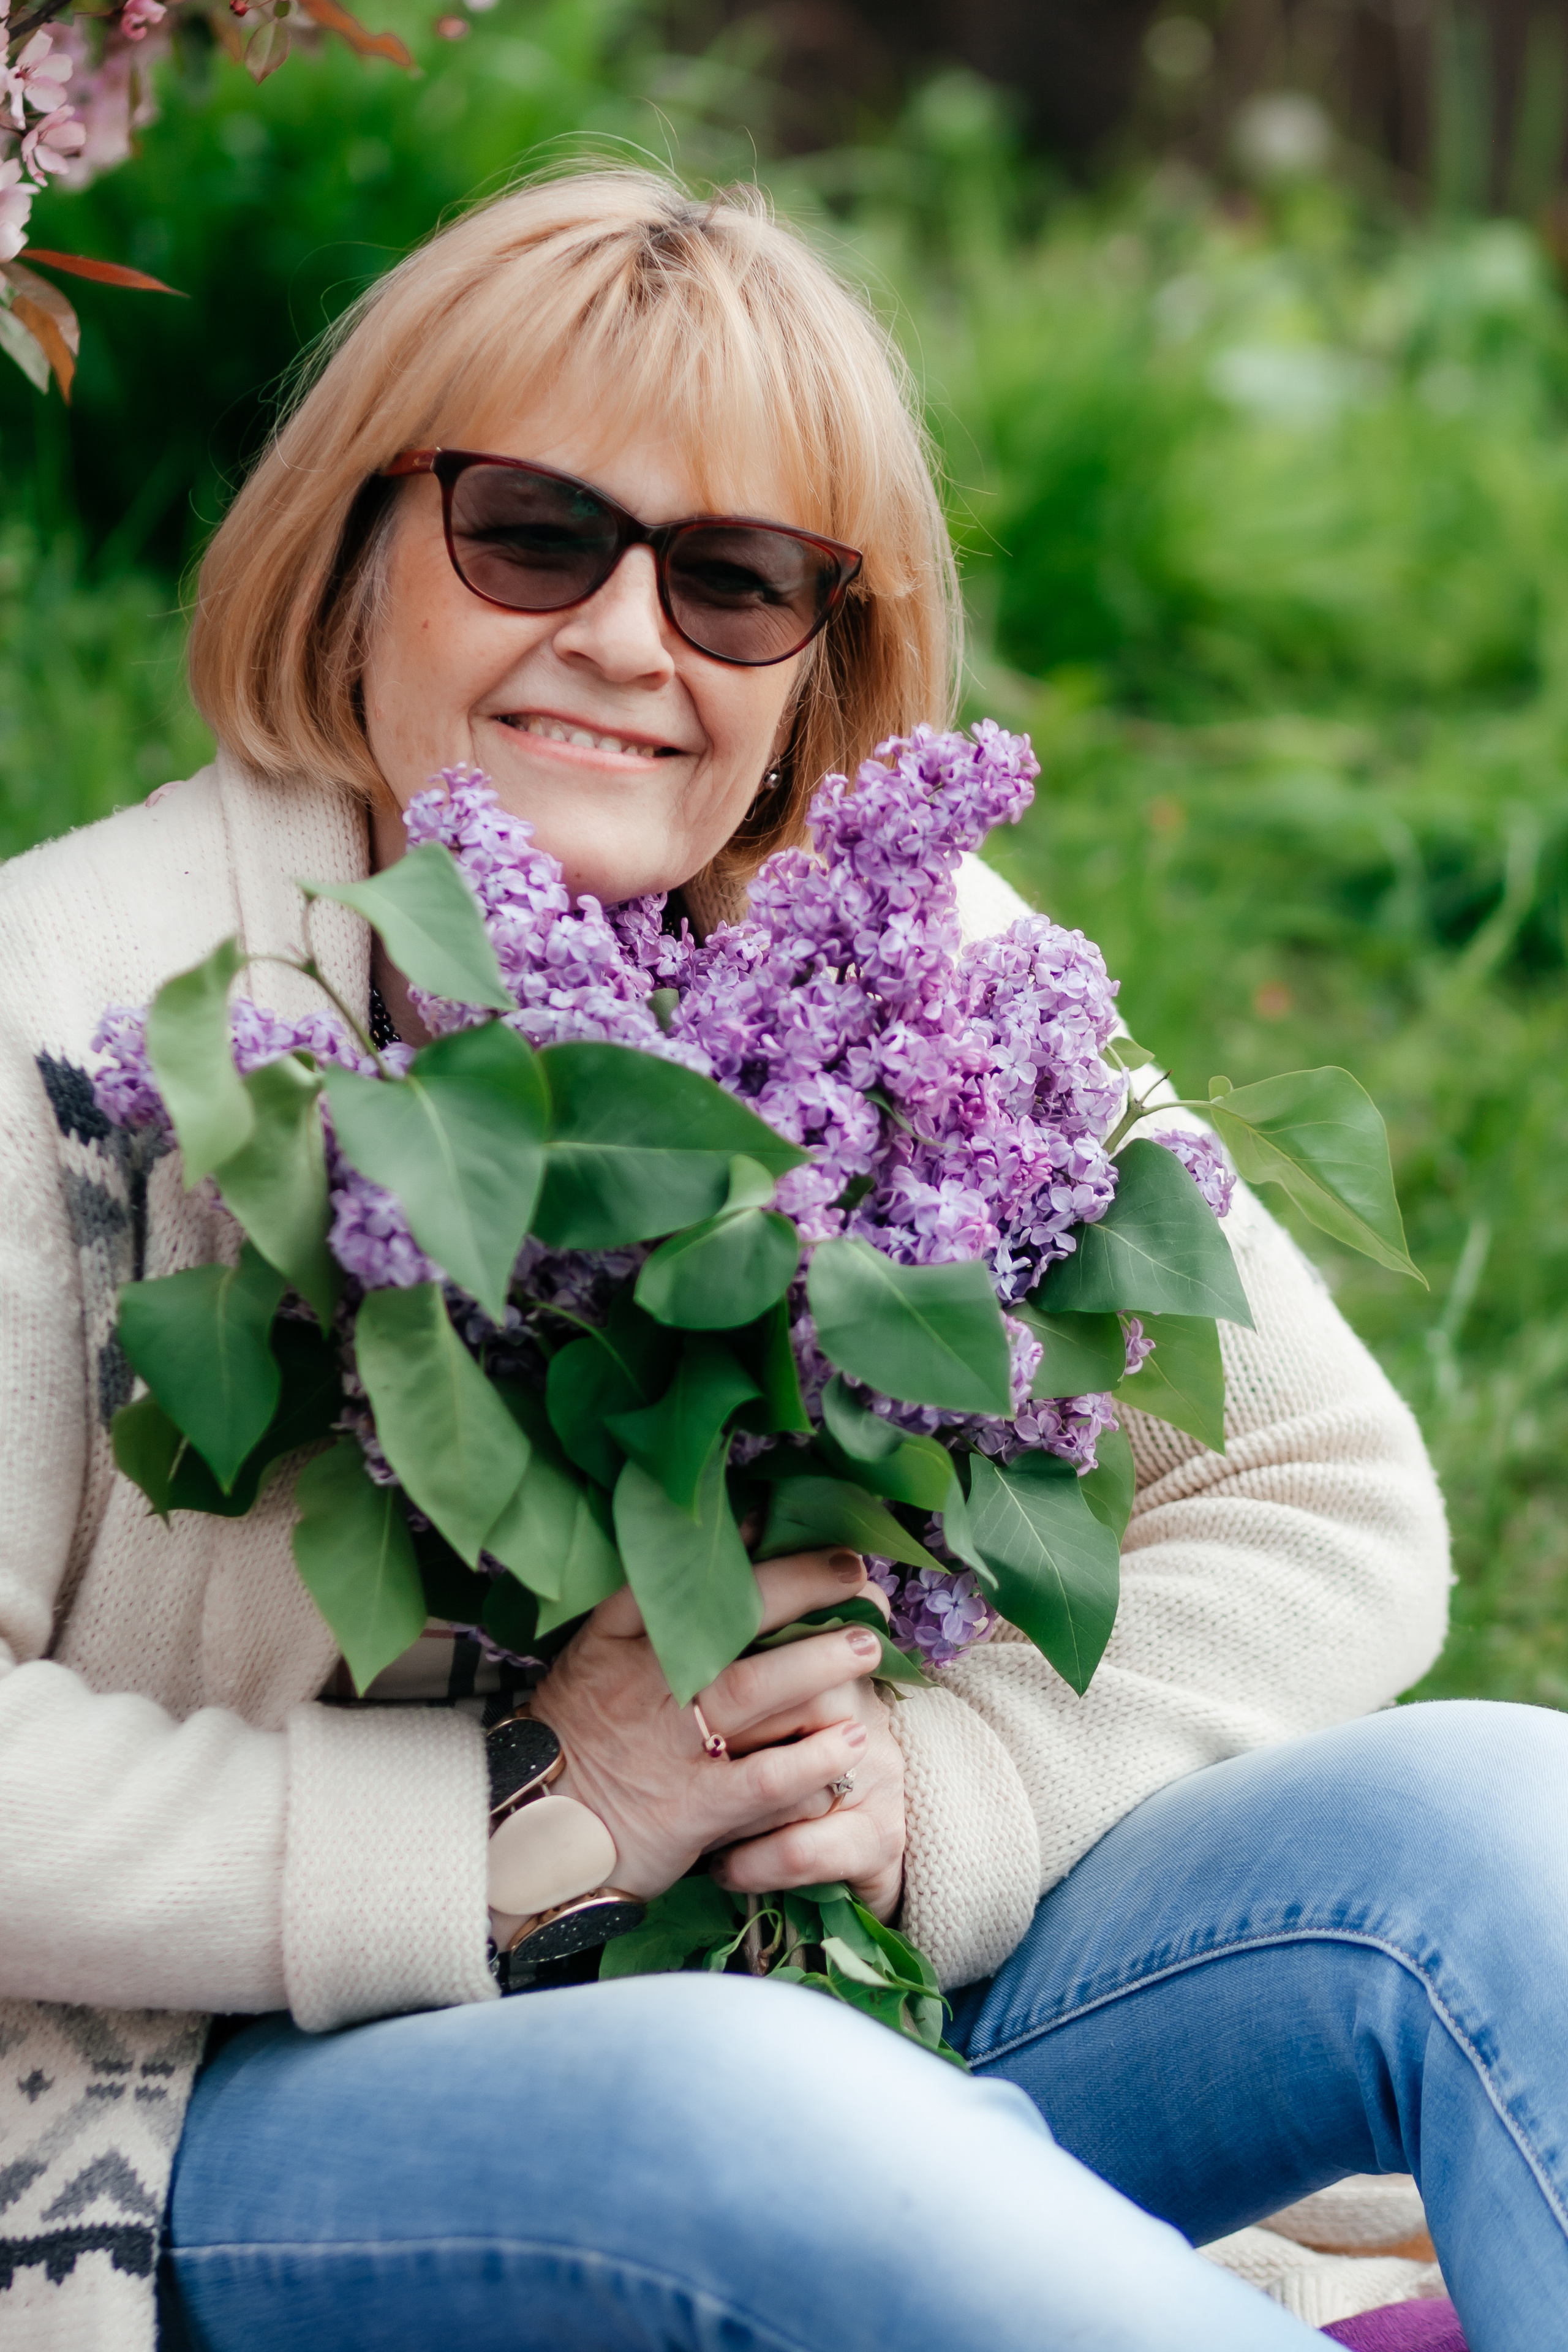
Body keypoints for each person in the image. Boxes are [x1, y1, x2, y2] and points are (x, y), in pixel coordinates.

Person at [0, 168, 1555, 2352]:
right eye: (533, 534)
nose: (629, 642)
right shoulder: (80, 1017)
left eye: (735, 582)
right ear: (355, 553)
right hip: (182, 2115)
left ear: (821, 651)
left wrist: (943, 1789)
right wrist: (517, 1818)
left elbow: (1322, 1496)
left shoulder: (894, 971)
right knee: (760, 2106)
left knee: (1513, 1834)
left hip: (824, 2008)